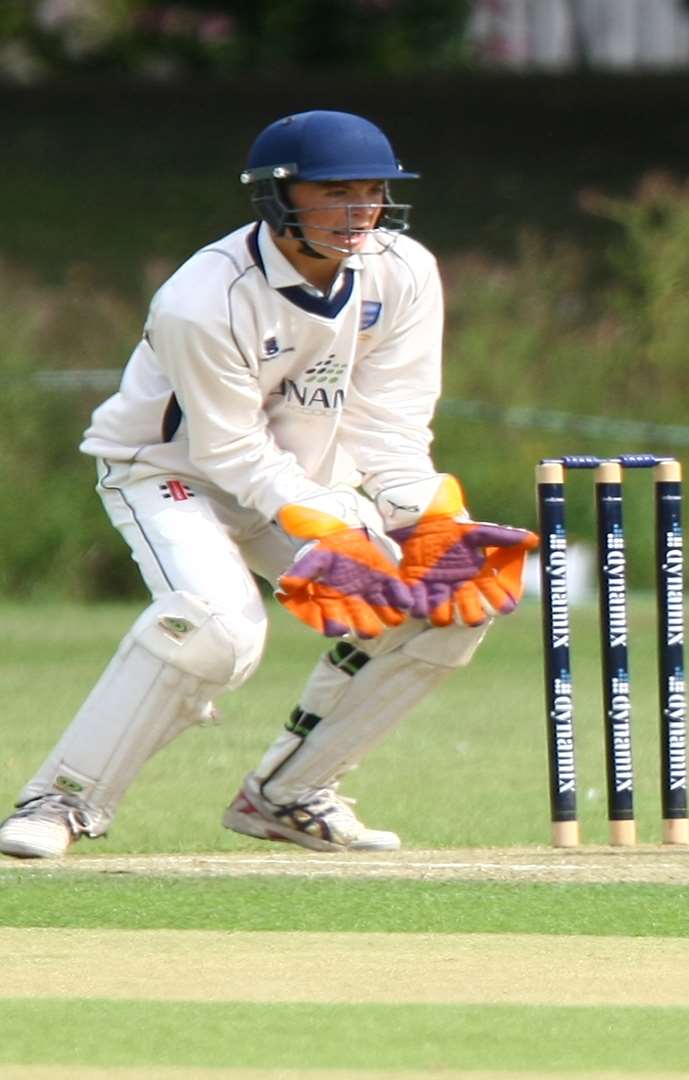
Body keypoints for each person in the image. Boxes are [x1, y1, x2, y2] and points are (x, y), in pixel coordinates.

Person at [0, 110, 536, 859]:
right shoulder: (204, 298)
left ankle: (288, 794)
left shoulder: (405, 271)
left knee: (444, 606)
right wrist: (331, 524)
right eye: (336, 193)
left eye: (373, 192)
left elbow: (392, 424)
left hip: (304, 485)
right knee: (219, 631)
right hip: (170, 475)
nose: (361, 212)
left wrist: (426, 515)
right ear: (279, 198)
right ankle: (60, 801)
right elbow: (228, 449)